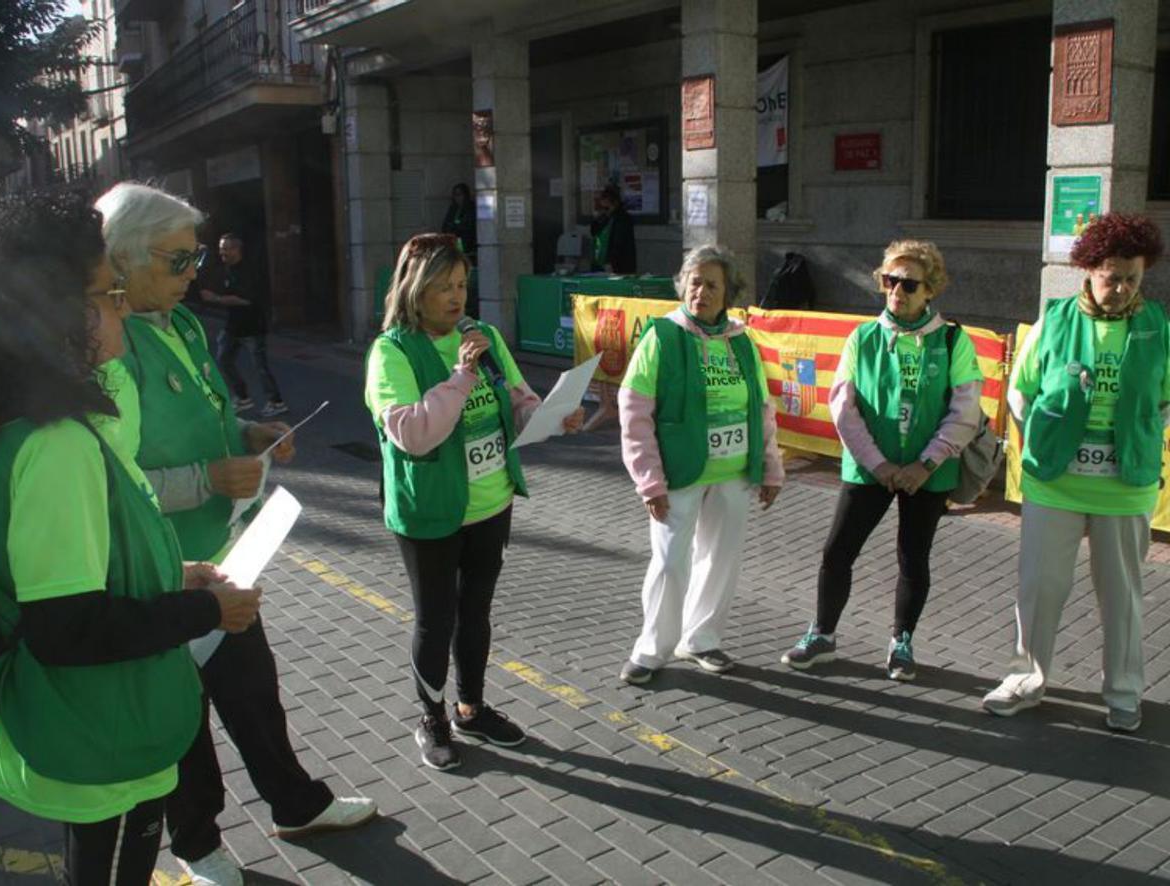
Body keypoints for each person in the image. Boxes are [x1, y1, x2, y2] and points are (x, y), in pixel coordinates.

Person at [0, 191, 262, 886]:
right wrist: (206, 610)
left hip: (75, 725)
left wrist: (176, 572)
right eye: (106, 295)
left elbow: (76, 568)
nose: (123, 307)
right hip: (103, 728)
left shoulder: (7, 425)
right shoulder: (57, 443)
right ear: (54, 316)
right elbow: (67, 626)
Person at [94, 182, 375, 886]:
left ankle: (296, 803)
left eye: (196, 258)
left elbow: (218, 420)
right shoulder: (107, 341)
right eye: (180, 260)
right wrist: (206, 479)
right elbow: (105, 482)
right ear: (124, 259)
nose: (198, 274)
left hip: (227, 556)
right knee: (185, 720)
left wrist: (253, 435)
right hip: (165, 569)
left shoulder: (182, 325)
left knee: (254, 691)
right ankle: (196, 843)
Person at [365, 232, 584, 770]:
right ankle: (432, 717)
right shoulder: (391, 351)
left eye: (461, 284)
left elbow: (517, 400)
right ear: (414, 290)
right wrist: (461, 376)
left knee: (476, 613)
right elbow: (415, 434)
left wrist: (550, 416)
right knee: (434, 619)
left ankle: (471, 706)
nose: (456, 297)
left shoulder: (481, 334)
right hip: (430, 511)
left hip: (491, 502)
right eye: (442, 286)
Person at [983, 213, 1167, 733]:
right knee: (1041, 585)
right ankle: (1026, 679)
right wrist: (1044, 436)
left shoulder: (1157, 327)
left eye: (1133, 277)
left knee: (1122, 592)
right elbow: (1021, 391)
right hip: (1055, 481)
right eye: (1113, 275)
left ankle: (1125, 690)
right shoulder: (1056, 320)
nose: (1123, 287)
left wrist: (1142, 433)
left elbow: (1165, 398)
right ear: (1089, 269)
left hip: (1125, 484)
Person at [781, 240, 983, 680]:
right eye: (890, 281)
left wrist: (924, 464)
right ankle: (822, 635)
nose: (897, 291)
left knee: (913, 558)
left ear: (931, 290)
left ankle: (901, 642)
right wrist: (879, 464)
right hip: (870, 467)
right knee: (837, 552)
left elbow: (967, 410)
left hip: (927, 473)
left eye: (909, 284)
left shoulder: (953, 341)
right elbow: (842, 406)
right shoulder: (863, 337)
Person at [617, 245, 785, 685]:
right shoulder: (663, 336)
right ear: (682, 286)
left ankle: (702, 638)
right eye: (694, 281)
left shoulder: (741, 340)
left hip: (733, 471)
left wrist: (770, 467)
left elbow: (762, 408)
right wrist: (648, 479)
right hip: (679, 471)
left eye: (712, 284)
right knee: (672, 562)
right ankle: (652, 649)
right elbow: (634, 410)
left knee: (720, 560)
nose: (701, 291)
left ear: (728, 291)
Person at [201, 233, 289, 418]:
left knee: (260, 367)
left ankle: (276, 402)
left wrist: (216, 298)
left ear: (236, 249)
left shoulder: (249, 271)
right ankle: (242, 397)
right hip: (233, 327)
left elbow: (245, 300)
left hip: (252, 327)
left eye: (225, 248)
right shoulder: (226, 270)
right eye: (220, 248)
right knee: (223, 360)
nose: (221, 252)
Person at [589, 183, 636, 274]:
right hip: (601, 262)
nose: (604, 209)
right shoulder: (606, 218)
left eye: (606, 207)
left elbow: (618, 243)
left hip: (617, 265)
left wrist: (611, 262)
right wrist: (597, 218)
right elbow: (594, 231)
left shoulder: (622, 219)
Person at [441, 183, 477, 261]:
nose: (457, 198)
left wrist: (455, 226)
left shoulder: (471, 208)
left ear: (465, 195)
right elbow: (445, 225)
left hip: (467, 242)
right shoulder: (453, 208)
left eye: (459, 194)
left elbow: (467, 225)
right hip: (453, 242)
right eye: (455, 195)